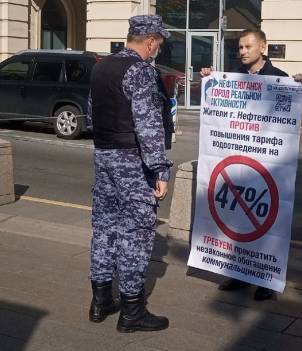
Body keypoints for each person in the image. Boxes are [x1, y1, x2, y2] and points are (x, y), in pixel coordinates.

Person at [201, 29, 302, 301]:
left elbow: (292, 117)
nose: (243, 51)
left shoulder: (280, 78)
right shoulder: (231, 78)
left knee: (268, 222)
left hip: (268, 166)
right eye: (240, 47)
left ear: (263, 47)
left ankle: (265, 280)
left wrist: (299, 91)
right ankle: (238, 275)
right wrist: (208, 81)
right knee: (238, 220)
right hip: (239, 165)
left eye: (248, 46)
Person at [87, 14, 174, 333]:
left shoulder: (101, 66)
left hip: (104, 155)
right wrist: (160, 170)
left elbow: (92, 115)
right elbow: (148, 127)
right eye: (158, 44)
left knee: (105, 227)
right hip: (131, 160)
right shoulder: (140, 71)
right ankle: (132, 311)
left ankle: (100, 302)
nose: (157, 50)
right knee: (136, 231)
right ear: (150, 40)